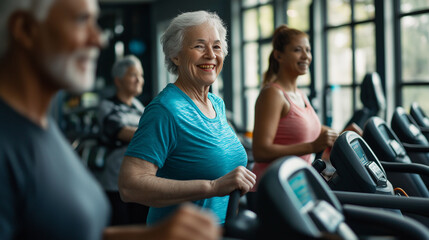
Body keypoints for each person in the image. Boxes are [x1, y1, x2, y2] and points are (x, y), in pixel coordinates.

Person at [0, 0, 220, 239]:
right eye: (82, 20)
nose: (99, 39)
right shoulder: (7, 141)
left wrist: (152, 236)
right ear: (25, 29)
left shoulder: (43, 128)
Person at [118, 10, 256, 226]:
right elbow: (130, 186)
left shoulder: (216, 104)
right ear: (176, 55)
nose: (211, 54)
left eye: (217, 46)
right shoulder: (165, 110)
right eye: (199, 46)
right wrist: (212, 187)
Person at [251, 25, 339, 189]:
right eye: (298, 50)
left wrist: (343, 135)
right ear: (279, 55)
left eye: (308, 50)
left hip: (296, 186)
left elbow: (313, 129)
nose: (306, 56)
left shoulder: (300, 94)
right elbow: (260, 151)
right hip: (270, 188)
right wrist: (312, 147)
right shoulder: (273, 94)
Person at [94, 55, 149, 225]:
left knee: (141, 228)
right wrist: (151, 133)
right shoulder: (107, 106)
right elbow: (121, 132)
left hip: (141, 180)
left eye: (141, 75)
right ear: (118, 81)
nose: (139, 80)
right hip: (115, 182)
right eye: (133, 75)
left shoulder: (140, 108)